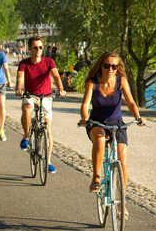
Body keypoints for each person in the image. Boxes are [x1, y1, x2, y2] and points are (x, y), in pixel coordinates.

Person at [79, 52, 145, 218]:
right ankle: (95, 177)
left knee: (122, 159)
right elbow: (86, 103)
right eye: (107, 65)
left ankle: (122, 203)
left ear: (118, 68)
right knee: (100, 140)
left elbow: (130, 101)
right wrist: (85, 118)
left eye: (114, 66)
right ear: (101, 66)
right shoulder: (92, 83)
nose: (110, 69)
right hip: (97, 123)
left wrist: (137, 116)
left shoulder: (120, 81)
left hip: (117, 123)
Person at [15, 36, 66, 173]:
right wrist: (19, 89)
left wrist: (60, 88)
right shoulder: (24, 63)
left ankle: (48, 161)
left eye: (40, 47)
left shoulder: (49, 62)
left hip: (46, 97)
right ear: (30, 49)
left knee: (48, 129)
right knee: (26, 108)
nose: (38, 50)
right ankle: (26, 135)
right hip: (30, 95)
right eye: (35, 48)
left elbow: (55, 76)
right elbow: (20, 77)